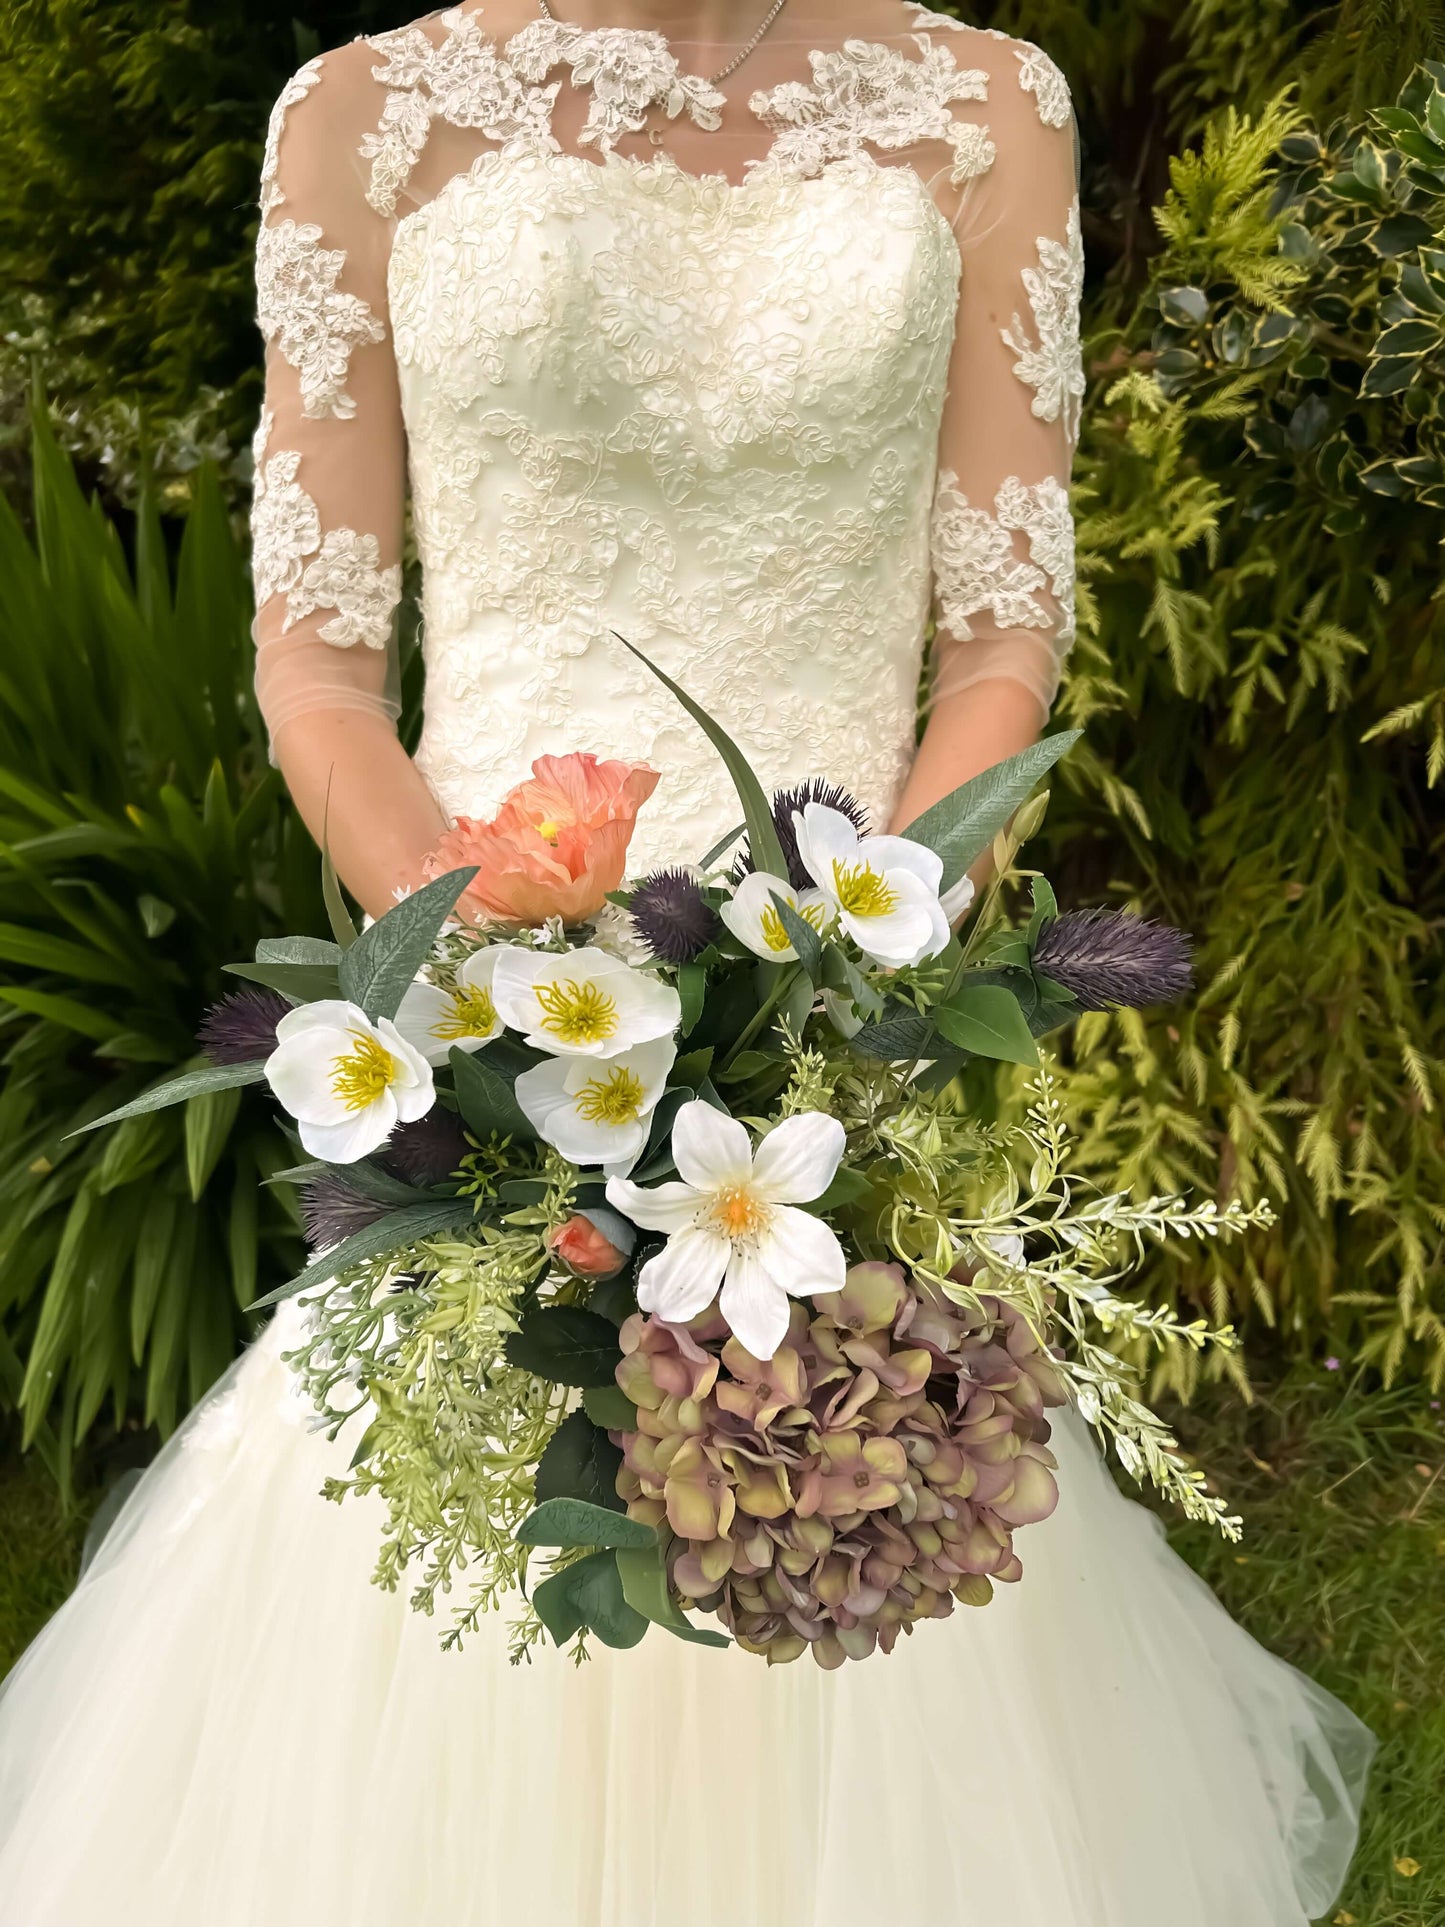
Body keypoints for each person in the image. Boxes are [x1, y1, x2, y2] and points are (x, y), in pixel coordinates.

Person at [0, 4, 1373, 1921]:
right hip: (506, 1036)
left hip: (842, 1013)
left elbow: (997, 634)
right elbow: (317, 660)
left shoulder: (983, 111)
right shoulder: (366, 117)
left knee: (849, 1497)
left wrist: (871, 942)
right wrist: (453, 938)